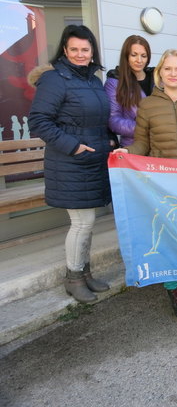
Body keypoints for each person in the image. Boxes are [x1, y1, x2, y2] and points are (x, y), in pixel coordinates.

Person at [114, 49, 177, 322]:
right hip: (162, 185)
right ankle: (173, 290)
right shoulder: (148, 106)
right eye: (167, 69)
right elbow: (142, 144)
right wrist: (128, 152)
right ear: (159, 73)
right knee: (167, 238)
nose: (173, 74)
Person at [28, 25, 113, 303]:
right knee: (82, 222)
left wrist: (110, 140)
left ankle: (84, 274)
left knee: (87, 223)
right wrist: (73, 146)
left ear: (92, 52)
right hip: (70, 163)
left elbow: (98, 119)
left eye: (84, 49)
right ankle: (73, 278)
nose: (79, 54)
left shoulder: (93, 80)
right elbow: (39, 121)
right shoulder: (54, 79)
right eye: (74, 49)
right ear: (64, 50)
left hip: (92, 162)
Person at [104, 35, 154, 147]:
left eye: (144, 56)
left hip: (159, 147)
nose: (139, 60)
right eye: (134, 55)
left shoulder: (157, 79)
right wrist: (145, 129)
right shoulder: (115, 82)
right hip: (132, 147)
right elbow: (113, 120)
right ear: (126, 56)